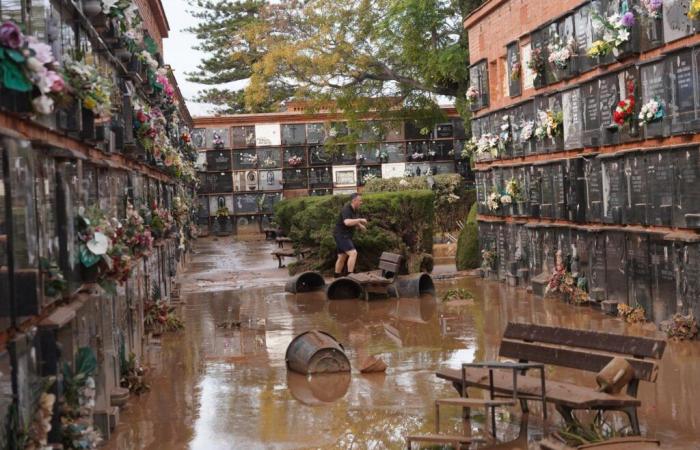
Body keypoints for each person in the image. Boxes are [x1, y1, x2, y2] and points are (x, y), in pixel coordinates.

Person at [333, 193, 367, 277]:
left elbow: (353, 220)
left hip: (344, 235)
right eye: (360, 200)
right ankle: (350, 276)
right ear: (354, 201)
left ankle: (336, 277)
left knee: (342, 256)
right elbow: (347, 222)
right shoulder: (346, 209)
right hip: (342, 235)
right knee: (353, 253)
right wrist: (360, 220)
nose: (361, 202)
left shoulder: (355, 209)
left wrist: (359, 225)